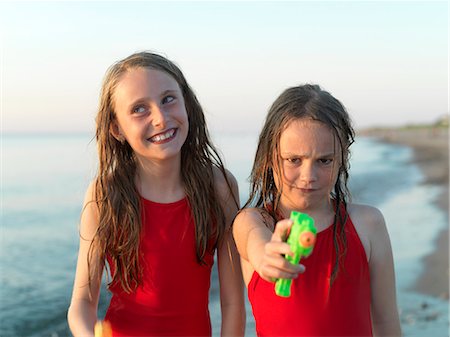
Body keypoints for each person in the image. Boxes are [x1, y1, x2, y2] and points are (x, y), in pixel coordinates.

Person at [67, 51, 245, 337]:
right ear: (116, 128)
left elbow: (233, 300)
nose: (161, 118)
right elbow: (82, 302)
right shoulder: (104, 195)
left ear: (186, 101)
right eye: (139, 109)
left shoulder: (218, 187)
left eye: (168, 99)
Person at [233, 84, 402, 337]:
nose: (308, 176)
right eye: (294, 160)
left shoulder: (368, 223)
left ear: (342, 157)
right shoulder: (257, 222)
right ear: (270, 157)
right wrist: (265, 254)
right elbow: (253, 238)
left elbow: (386, 322)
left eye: (324, 160)